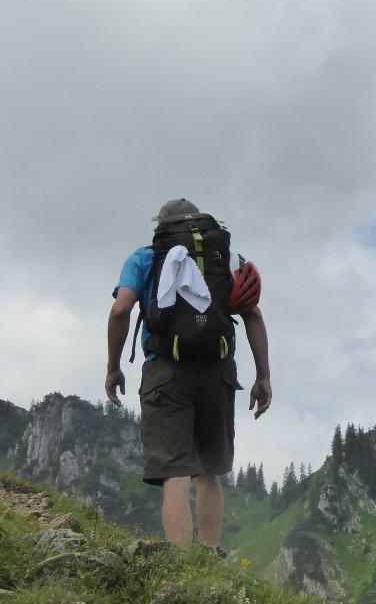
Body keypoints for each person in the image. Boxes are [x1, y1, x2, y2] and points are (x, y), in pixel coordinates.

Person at [104, 198, 272, 553]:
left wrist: (113, 366)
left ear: (161, 228)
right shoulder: (223, 257)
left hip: (166, 370)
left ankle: (182, 563)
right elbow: (252, 315)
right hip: (218, 370)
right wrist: (263, 376)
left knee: (175, 470)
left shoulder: (146, 257)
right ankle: (210, 556)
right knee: (209, 470)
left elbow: (121, 310)